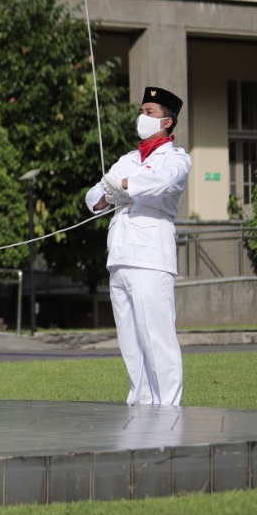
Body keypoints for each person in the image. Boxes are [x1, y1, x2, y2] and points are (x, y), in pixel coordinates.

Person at [84, 86, 191, 407]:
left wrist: (124, 186)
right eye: (141, 111)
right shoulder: (128, 159)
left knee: (156, 336)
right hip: (120, 256)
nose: (141, 117)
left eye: (149, 112)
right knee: (130, 340)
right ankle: (141, 402)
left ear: (166, 122)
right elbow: (95, 194)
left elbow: (165, 182)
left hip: (150, 257)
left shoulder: (176, 158)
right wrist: (108, 194)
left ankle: (167, 405)